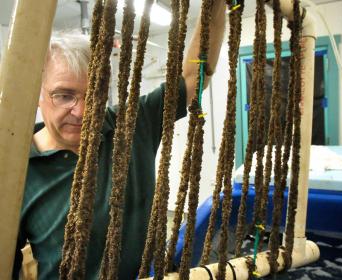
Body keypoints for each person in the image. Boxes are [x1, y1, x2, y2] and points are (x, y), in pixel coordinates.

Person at [12, 2, 226, 279]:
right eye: (64, 95)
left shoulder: (131, 124)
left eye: (94, 96)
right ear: (37, 93)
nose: (82, 112)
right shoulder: (14, 171)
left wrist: (217, 5)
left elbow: (193, 78)